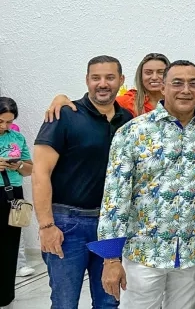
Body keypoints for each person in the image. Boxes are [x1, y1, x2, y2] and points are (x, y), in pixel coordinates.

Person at [89, 60, 195, 308]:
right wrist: (111, 259)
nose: (186, 90)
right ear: (163, 88)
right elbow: (115, 198)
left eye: (193, 84)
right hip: (144, 253)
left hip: (193, 250)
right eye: (177, 83)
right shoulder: (132, 132)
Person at [33, 55, 133, 309]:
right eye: (96, 78)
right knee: (65, 302)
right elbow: (40, 173)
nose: (103, 84)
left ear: (121, 81)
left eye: (110, 77)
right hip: (68, 224)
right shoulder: (64, 115)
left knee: (109, 301)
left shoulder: (128, 120)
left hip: (111, 225)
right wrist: (46, 226)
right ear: (87, 80)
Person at [44, 52, 170, 119]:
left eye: (160, 72)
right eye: (148, 72)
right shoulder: (127, 101)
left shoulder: (176, 102)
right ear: (140, 76)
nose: (154, 77)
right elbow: (97, 104)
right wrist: (61, 98)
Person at [0, 97, 33, 307]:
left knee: (10, 246)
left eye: (9, 122)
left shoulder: (17, 138)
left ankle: (5, 295)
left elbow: (30, 169)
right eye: (1, 121)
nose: (5, 126)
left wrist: (18, 165)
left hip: (12, 194)